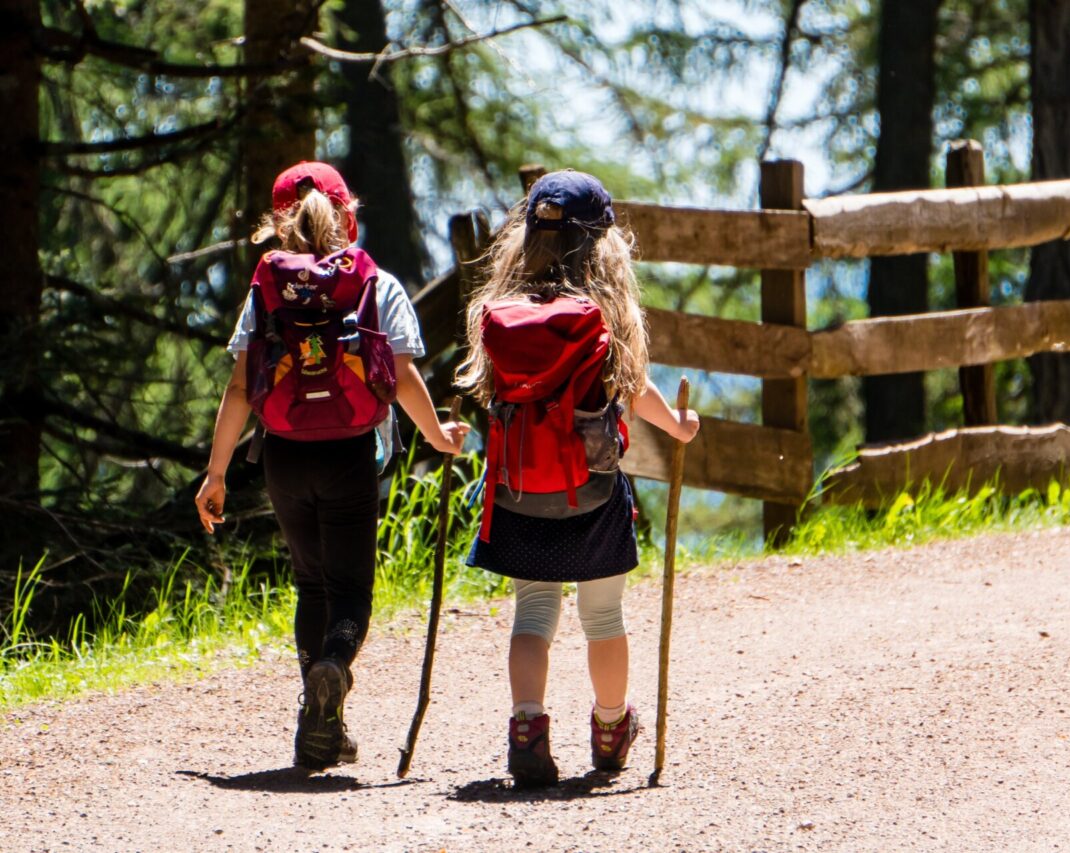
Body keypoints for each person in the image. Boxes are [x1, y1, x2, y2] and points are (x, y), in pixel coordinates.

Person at [194, 161, 469, 771]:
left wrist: (215, 475)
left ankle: (319, 724)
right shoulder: (375, 283)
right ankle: (333, 669)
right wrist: (440, 437)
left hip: (284, 455)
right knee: (351, 593)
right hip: (351, 453)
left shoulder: (265, 291)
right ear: (348, 215)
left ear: (276, 222)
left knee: (310, 584)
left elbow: (241, 387)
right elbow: (399, 377)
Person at [455, 170, 699, 787]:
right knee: (603, 616)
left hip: (516, 494)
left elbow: (486, 395)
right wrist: (677, 426)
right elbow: (632, 388)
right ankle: (613, 727)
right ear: (603, 243)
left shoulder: (496, 312)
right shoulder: (603, 314)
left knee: (533, 613)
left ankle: (526, 726)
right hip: (589, 494)